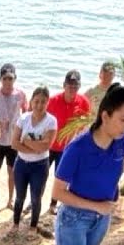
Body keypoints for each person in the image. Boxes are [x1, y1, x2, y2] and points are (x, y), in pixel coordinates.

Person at [51, 84, 124, 245]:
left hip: (102, 219)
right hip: (73, 219)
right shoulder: (78, 148)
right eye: (123, 119)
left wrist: (118, 170)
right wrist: (96, 206)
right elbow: (57, 192)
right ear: (105, 116)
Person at [11, 86, 57, 232]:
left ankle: (33, 227)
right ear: (31, 101)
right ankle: (15, 224)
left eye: (43, 102)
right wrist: (35, 147)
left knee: (36, 198)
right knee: (19, 197)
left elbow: (46, 146)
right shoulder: (23, 118)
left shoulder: (51, 121)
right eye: (36, 101)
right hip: (21, 164)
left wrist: (26, 141)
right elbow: (14, 143)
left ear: (47, 103)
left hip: (40, 165)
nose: (39, 105)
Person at [45, 70, 91, 216]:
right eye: (70, 86)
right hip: (49, 146)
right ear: (64, 85)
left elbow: (85, 126)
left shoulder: (83, 102)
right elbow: (42, 119)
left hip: (67, 149)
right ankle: (34, 201)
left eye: (75, 86)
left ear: (79, 87)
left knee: (61, 179)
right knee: (41, 175)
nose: (72, 89)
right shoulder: (53, 100)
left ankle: (53, 205)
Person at [0, 63, 27, 212]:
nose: (7, 82)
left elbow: (26, 113)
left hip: (13, 141)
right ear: (0, 79)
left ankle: (10, 200)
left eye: (10, 78)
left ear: (15, 78)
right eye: (4, 78)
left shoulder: (20, 94)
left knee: (12, 172)